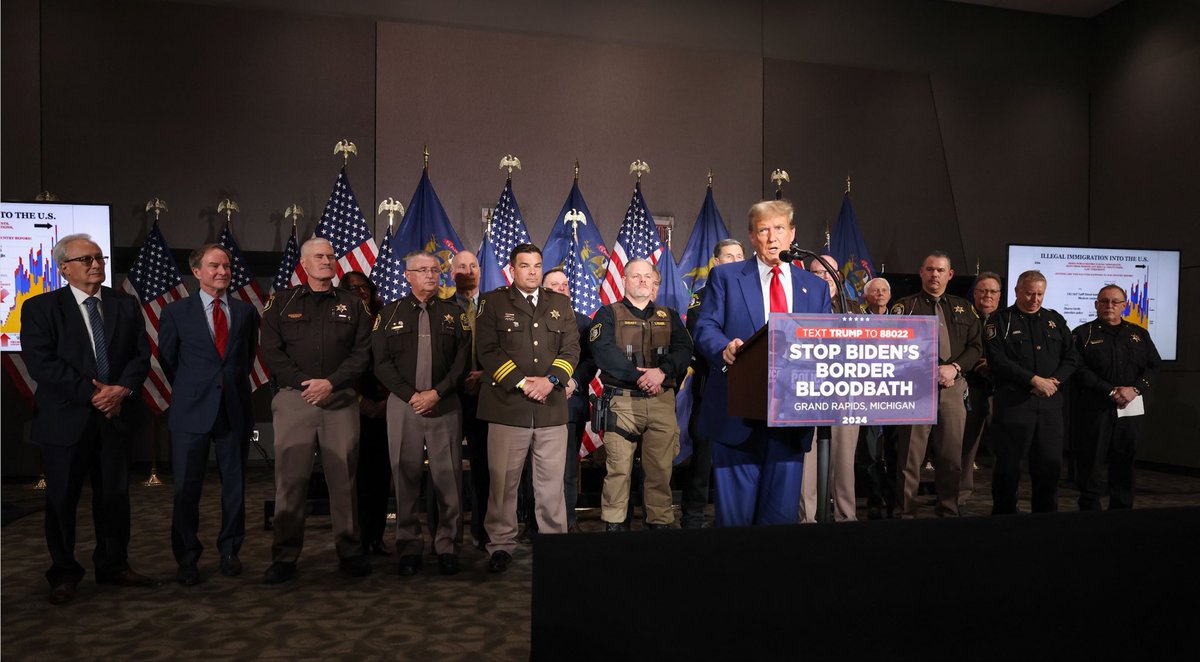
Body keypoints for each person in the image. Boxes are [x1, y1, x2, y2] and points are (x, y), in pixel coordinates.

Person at [21, 233, 154, 604]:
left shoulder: (124, 304)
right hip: (66, 419)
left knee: (114, 496)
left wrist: (121, 390)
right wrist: (94, 394)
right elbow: (42, 363)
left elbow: (140, 357)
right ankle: (63, 573)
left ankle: (113, 565)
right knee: (62, 499)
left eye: (99, 258)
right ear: (64, 268)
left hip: (116, 417)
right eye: (86, 260)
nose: (96, 265)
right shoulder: (40, 307)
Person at [693, 200, 831, 526]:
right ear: (752, 237)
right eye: (764, 230)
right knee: (736, 523)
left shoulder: (814, 286)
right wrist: (723, 348)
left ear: (792, 234)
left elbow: (826, 340)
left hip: (791, 419)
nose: (772, 238)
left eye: (779, 229)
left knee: (780, 522)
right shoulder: (725, 277)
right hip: (737, 416)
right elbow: (705, 326)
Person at [259, 237, 373, 583]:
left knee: (344, 481)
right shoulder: (281, 301)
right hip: (296, 398)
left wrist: (331, 382)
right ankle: (284, 556)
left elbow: (362, 353)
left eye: (330, 256)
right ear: (304, 265)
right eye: (319, 257)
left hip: (339, 400)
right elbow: (271, 350)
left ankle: (350, 552)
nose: (326, 260)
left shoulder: (353, 304)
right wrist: (306, 382)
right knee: (291, 482)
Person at [158, 244, 260, 585]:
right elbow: (169, 360)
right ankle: (187, 557)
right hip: (191, 412)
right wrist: (195, 390)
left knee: (235, 486)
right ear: (197, 271)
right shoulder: (175, 312)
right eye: (214, 266)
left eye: (226, 266)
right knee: (187, 488)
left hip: (234, 410)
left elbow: (244, 361)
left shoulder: (245, 312)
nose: (222, 271)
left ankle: (230, 549)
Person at [474, 243, 580, 571]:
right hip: (507, 406)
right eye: (525, 266)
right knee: (503, 483)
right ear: (513, 269)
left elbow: (571, 348)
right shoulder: (492, 302)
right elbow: (488, 351)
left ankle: (553, 542)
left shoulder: (560, 303)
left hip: (550, 406)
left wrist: (550, 380)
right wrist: (523, 382)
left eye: (537, 266)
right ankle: (501, 545)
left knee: (551, 484)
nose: (532, 271)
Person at [373, 251, 470, 576]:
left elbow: (462, 361)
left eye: (434, 270)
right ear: (408, 275)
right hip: (405, 405)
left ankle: (448, 546)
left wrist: (437, 392)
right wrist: (412, 395)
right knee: (405, 477)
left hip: (444, 404)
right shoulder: (388, 314)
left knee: (449, 479)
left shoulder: (454, 314)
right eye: (422, 270)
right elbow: (381, 363)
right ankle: (408, 546)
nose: (430, 275)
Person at [590, 259, 692, 531]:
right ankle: (614, 525)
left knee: (660, 471)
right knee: (618, 471)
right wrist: (640, 377)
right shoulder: (607, 314)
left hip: (661, 402)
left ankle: (659, 525)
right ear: (624, 280)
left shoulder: (668, 315)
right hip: (621, 402)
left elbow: (684, 350)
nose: (643, 281)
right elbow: (603, 352)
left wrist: (661, 372)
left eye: (648, 277)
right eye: (636, 276)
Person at [890, 252, 982, 518]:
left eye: (940, 270)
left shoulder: (963, 308)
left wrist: (953, 367)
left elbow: (976, 347)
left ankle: (948, 510)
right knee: (910, 458)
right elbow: (892, 347)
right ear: (921, 272)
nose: (935, 275)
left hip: (953, 387)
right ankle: (905, 512)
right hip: (916, 389)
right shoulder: (904, 307)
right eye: (930, 269)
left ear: (950, 274)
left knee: (951, 457)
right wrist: (926, 370)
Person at [983, 270, 1080, 514]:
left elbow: (1072, 357)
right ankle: (1004, 517)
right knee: (1009, 466)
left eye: (1040, 294)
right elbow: (998, 360)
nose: (1035, 299)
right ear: (1017, 291)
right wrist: (1034, 380)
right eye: (1029, 293)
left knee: (1049, 466)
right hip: (1015, 403)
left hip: (1049, 404)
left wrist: (1054, 381)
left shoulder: (1054, 320)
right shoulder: (1000, 320)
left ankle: (1045, 518)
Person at [1071, 284, 1160, 510]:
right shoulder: (1082, 334)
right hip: (1095, 406)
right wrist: (1109, 390)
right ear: (1096, 305)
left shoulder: (1139, 333)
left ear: (1125, 306)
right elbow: (1078, 369)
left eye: (1115, 302)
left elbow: (1153, 366)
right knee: (1091, 460)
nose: (1109, 306)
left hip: (1130, 406)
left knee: (1125, 459)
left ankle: (1122, 510)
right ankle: (1089, 510)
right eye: (1104, 301)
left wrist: (1136, 389)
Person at [680, 238, 744, 529]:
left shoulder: (752, 293)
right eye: (729, 257)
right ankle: (693, 519)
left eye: (740, 256)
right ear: (716, 263)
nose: (735, 261)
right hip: (712, 389)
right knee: (703, 461)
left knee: (736, 462)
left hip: (748, 391)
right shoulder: (703, 296)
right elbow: (701, 334)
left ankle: (729, 518)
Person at [800, 254, 865, 522]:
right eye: (817, 272)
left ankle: (846, 517)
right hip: (807, 392)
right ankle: (807, 519)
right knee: (808, 462)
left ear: (838, 275)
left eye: (829, 271)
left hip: (846, 393)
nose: (825, 276)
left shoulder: (853, 307)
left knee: (844, 461)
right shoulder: (800, 305)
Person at [541, 267, 597, 533]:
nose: (561, 289)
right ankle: (535, 521)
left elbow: (589, 360)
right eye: (554, 285)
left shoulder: (584, 322)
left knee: (567, 469)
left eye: (564, 284)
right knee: (537, 469)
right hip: (538, 403)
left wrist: (574, 382)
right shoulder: (533, 320)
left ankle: (569, 519)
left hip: (571, 405)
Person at [342, 270, 392, 557]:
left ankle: (376, 537)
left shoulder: (385, 320)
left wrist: (387, 402)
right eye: (352, 288)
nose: (359, 292)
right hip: (352, 408)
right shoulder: (340, 323)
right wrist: (361, 401)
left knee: (381, 476)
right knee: (355, 478)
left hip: (386, 407)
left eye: (363, 287)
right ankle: (356, 539)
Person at [451, 250, 490, 550]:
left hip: (486, 397)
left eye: (473, 265)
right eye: (461, 266)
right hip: (449, 397)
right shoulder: (441, 307)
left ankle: (482, 530)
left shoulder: (493, 306)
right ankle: (447, 536)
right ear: (451, 272)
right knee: (444, 468)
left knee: (484, 469)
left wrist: (487, 374)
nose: (468, 270)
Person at [856, 276, 898, 519]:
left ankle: (893, 496)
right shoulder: (856, 322)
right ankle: (875, 495)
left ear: (890, 296)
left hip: (896, 395)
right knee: (869, 451)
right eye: (875, 291)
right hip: (867, 394)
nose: (880, 294)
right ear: (865, 296)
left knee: (894, 448)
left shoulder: (903, 321)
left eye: (884, 290)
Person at [960, 271, 1003, 504]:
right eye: (983, 290)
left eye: (993, 291)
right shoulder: (964, 316)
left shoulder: (1008, 319)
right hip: (970, 387)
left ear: (1000, 295)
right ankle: (959, 497)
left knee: (1002, 447)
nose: (988, 295)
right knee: (965, 446)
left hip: (1001, 390)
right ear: (975, 293)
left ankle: (1004, 498)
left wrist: (994, 366)